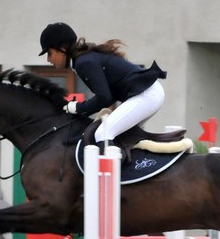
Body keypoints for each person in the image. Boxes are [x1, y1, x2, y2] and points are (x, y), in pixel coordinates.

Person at [39, 22, 167, 150]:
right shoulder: (84, 59)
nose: (48, 59)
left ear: (63, 48)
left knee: (102, 134)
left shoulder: (83, 63)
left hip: (146, 95)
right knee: (122, 137)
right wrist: (81, 110)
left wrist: (78, 107)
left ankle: (112, 170)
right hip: (148, 93)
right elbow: (109, 97)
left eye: (49, 53)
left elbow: (104, 97)